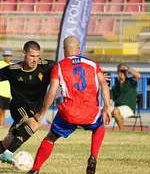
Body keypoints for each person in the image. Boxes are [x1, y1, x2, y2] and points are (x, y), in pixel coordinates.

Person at [0, 41, 56, 169]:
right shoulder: (14, 69)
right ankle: (9, 154)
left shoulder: (47, 65)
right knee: (35, 124)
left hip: (35, 109)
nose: (35, 60)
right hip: (18, 106)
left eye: (37, 56)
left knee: (6, 143)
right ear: (24, 53)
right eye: (32, 56)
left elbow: (66, 68)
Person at [26, 36, 111, 174]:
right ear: (79, 49)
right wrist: (107, 107)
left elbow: (52, 92)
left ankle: (35, 170)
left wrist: (42, 113)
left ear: (64, 49)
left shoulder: (58, 67)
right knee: (99, 126)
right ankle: (93, 156)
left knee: (51, 138)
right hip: (90, 112)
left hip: (68, 113)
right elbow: (103, 84)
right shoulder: (92, 64)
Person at [110, 64, 141, 130]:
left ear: (127, 73)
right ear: (117, 72)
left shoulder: (131, 82)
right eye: (120, 71)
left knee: (116, 111)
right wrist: (106, 108)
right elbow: (110, 100)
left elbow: (138, 76)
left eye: (124, 71)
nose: (122, 73)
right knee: (100, 110)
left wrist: (127, 68)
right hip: (118, 108)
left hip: (128, 108)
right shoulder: (115, 86)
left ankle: (122, 131)